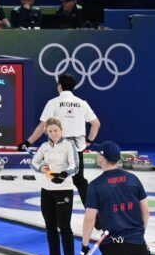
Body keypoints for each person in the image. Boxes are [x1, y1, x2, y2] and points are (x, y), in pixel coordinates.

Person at [25, 72, 100, 203]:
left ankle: (57, 215)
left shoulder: (53, 103)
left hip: (58, 150)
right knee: (79, 181)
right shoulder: (82, 103)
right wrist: (89, 141)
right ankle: (95, 216)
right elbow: (96, 124)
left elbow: (42, 126)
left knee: (54, 180)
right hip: (76, 149)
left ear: (59, 86)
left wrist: (27, 142)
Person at [31, 118, 81, 255]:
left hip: (64, 190)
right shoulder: (44, 146)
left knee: (64, 226)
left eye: (56, 130)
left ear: (61, 131)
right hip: (46, 191)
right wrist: (42, 169)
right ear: (47, 132)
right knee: (50, 226)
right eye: (50, 131)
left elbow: (75, 166)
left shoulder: (69, 145)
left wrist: (64, 173)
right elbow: (34, 162)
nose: (53, 133)